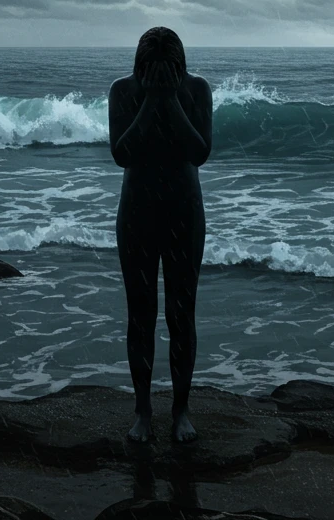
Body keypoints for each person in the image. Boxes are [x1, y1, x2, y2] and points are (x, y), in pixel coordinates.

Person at [107, 26, 213, 443]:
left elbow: (199, 151)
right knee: (141, 315)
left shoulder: (196, 90)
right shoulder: (123, 91)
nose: (160, 76)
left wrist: (170, 100)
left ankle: (181, 409)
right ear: (139, 66)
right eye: (152, 71)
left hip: (184, 212)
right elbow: (122, 154)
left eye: (167, 71)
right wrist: (152, 100)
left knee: (181, 315)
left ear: (181, 66)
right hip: (137, 212)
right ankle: (143, 411)